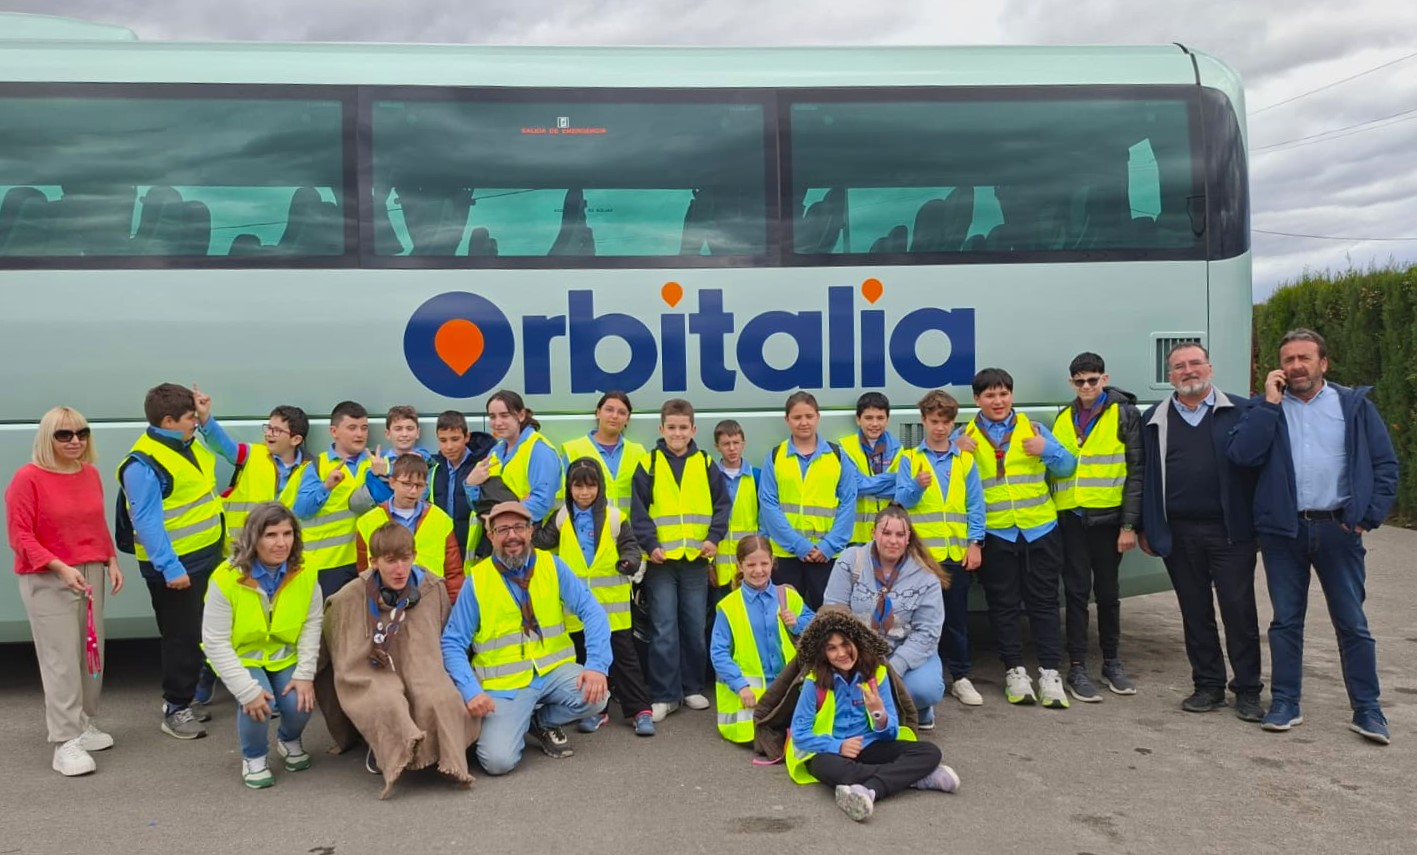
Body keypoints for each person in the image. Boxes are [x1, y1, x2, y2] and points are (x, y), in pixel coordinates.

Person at [1227, 328, 1399, 744]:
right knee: (1286, 622)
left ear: (1324, 363)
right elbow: (1241, 456)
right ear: (1279, 367)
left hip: (1339, 528)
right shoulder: (1264, 408)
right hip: (1283, 533)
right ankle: (1286, 702)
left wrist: (1366, 517)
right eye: (1288, 359)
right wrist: (1269, 404)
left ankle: (1368, 710)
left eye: (1305, 358)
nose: (1296, 366)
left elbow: (1385, 466)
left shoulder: (1352, 406)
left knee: (1352, 623)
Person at [1139, 342, 1263, 722]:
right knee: (1195, 612)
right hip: (1179, 532)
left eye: (1195, 363)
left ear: (1209, 367)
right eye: (1179, 366)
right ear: (1169, 376)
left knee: (1238, 611)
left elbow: (1260, 470)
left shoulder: (1243, 410)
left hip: (1231, 533)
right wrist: (1147, 527)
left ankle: (1247, 691)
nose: (1188, 371)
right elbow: (1143, 478)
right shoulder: (1153, 419)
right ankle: (1208, 685)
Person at [441, 501, 611, 775]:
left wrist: (596, 666)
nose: (512, 536)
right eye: (503, 529)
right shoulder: (477, 580)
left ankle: (540, 722)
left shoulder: (552, 566)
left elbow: (592, 611)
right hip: (505, 685)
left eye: (519, 527)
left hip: (553, 671)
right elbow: (452, 642)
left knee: (597, 696)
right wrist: (471, 691)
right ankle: (517, 720)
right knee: (497, 762)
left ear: (530, 531)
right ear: (491, 536)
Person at [320, 522, 480, 797]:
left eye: (405, 559)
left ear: (414, 557)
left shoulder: (432, 589)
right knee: (387, 697)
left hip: (421, 665)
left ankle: (447, 759)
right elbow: (332, 649)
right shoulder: (349, 597)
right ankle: (392, 752)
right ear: (373, 562)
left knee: (440, 696)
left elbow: (447, 639)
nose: (399, 569)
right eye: (390, 561)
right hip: (373, 671)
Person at [6, 406, 123, 776]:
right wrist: (59, 566)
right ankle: (64, 741)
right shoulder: (28, 478)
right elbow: (20, 536)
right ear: (47, 438)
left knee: (90, 653)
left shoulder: (88, 473)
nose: (75, 441)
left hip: (89, 572)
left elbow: (96, 522)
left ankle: (84, 721)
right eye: (64, 435)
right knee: (60, 661)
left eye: (82, 433)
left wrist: (110, 559)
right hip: (48, 575)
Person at [115, 383, 237, 739]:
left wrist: (206, 415)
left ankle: (188, 698)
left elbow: (223, 449)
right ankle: (176, 707)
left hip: (207, 554)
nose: (195, 424)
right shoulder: (143, 464)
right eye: (189, 419)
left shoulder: (183, 441)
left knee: (204, 630)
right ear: (168, 421)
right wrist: (171, 568)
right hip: (177, 567)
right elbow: (148, 522)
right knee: (181, 636)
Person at [955, 368, 1077, 708]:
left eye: (1004, 393)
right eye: (990, 395)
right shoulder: (964, 436)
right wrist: (957, 450)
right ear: (977, 399)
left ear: (1012, 395)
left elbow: (1068, 467)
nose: (998, 401)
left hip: (1040, 528)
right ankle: (1015, 671)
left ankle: (1050, 674)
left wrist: (1047, 450)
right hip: (996, 533)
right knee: (1003, 605)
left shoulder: (1035, 430)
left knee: (1045, 603)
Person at [785, 610, 959, 822]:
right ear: (823, 654)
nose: (841, 653)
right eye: (832, 648)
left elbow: (891, 733)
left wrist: (879, 713)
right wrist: (838, 746)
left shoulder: (877, 674)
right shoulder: (814, 682)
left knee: (929, 752)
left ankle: (870, 789)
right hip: (828, 750)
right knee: (828, 768)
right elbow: (800, 734)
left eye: (845, 644)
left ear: (857, 642)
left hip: (870, 746)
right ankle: (915, 778)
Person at [200, 502, 321, 789]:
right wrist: (246, 690)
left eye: (288, 533)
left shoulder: (306, 570)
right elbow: (214, 642)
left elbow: (312, 623)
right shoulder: (226, 577)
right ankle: (254, 757)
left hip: (284, 655)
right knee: (258, 703)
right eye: (271, 535)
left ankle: (288, 739)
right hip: (243, 658)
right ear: (254, 537)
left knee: (300, 704)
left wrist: (305, 674)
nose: (282, 543)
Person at [532, 458, 654, 735]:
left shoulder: (614, 517)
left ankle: (640, 710)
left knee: (624, 659)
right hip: (576, 609)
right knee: (586, 659)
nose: (584, 493)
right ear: (569, 487)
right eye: (578, 486)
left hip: (613, 607)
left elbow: (631, 547)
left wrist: (629, 563)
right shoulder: (562, 516)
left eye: (590, 486)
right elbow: (541, 541)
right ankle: (596, 709)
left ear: (599, 487)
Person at [1049, 352, 1144, 702]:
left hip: (1108, 521)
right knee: (1074, 594)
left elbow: (1137, 473)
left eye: (1092, 380)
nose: (1086, 386)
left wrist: (1130, 524)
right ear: (1071, 383)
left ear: (1104, 379)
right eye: (1079, 381)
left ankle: (1112, 662)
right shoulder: (1063, 418)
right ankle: (1077, 666)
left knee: (1107, 594)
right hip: (1071, 520)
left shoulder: (1125, 414)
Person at [630, 398, 731, 722]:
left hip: (695, 561)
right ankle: (665, 694)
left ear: (693, 429)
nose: (677, 433)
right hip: (661, 561)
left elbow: (721, 506)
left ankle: (692, 687)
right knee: (663, 627)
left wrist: (713, 538)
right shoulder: (649, 463)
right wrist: (650, 543)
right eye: (671, 427)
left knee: (693, 625)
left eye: (683, 427)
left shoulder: (704, 463)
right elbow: (639, 510)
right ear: (662, 429)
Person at [894, 390, 986, 707]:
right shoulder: (909, 459)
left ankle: (960, 676)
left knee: (956, 619)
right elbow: (900, 503)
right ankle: (920, 676)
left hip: (954, 553)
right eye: (934, 421)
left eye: (946, 422)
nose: (940, 428)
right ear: (923, 421)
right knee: (915, 620)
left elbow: (975, 505)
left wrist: (975, 543)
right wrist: (915, 487)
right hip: (920, 557)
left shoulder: (965, 461)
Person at [823, 505, 948, 729]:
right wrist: (853, 659)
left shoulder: (926, 576)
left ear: (908, 537)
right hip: (857, 651)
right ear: (873, 533)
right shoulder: (851, 560)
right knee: (832, 686)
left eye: (900, 534)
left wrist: (892, 669)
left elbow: (927, 632)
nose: (893, 540)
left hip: (905, 653)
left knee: (923, 689)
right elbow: (834, 611)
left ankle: (918, 708)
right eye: (886, 532)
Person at [710, 535, 814, 743]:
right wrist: (741, 686)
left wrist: (797, 624)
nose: (758, 570)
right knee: (767, 738)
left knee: (800, 736)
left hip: (788, 688)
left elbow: (815, 626)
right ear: (740, 565)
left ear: (772, 561)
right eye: (751, 564)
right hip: (749, 695)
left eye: (764, 563)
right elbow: (718, 652)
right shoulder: (729, 606)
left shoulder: (788, 595)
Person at [759, 392, 858, 611]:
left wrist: (829, 546)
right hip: (786, 555)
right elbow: (768, 504)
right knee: (784, 617)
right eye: (796, 417)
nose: (803, 422)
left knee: (829, 620)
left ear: (818, 417)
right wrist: (800, 546)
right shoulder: (775, 456)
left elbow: (848, 502)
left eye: (809, 416)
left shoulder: (837, 456)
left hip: (827, 556)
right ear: (787, 420)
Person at [293, 400, 392, 598]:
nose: (360, 434)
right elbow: (301, 510)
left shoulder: (380, 463)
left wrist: (381, 477)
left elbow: (392, 507)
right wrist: (326, 487)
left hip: (371, 561)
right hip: (329, 564)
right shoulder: (317, 465)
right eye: (352, 428)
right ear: (334, 431)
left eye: (364, 428)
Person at [355, 453, 464, 602]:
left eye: (419, 485)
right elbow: (363, 572)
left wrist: (452, 609)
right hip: (383, 602)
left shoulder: (441, 519)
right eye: (406, 484)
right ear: (392, 482)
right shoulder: (368, 521)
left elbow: (453, 573)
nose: (413, 491)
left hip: (430, 601)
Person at [216, 405, 314, 556]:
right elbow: (222, 445)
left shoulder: (311, 469)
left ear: (296, 439)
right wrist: (204, 419)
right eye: (268, 428)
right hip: (242, 551)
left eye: (277, 430)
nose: (269, 434)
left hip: (282, 554)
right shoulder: (252, 454)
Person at [464, 390, 562, 537]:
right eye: (492, 417)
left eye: (504, 415)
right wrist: (471, 484)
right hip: (503, 539)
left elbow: (541, 503)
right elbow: (482, 503)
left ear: (521, 415)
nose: (497, 423)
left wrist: (497, 518)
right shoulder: (495, 452)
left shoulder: (539, 451)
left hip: (536, 540)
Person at [560, 391, 647, 517]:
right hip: (589, 530)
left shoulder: (638, 452)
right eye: (609, 410)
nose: (615, 416)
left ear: (627, 419)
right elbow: (563, 496)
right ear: (598, 413)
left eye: (622, 413)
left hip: (628, 532)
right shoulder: (573, 450)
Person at [426, 410, 496, 562]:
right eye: (443, 440)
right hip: (443, 553)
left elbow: (490, 511)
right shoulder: (434, 470)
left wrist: (471, 486)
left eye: (455, 439)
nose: (449, 446)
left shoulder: (482, 467)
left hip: (477, 555)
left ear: (467, 437)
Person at [838, 392, 904, 546]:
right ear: (858, 419)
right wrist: (893, 478)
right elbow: (854, 486)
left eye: (880, 418)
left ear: (888, 419)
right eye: (868, 418)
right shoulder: (845, 448)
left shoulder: (898, 449)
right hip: (855, 536)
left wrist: (865, 483)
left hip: (888, 536)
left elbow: (901, 489)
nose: (875, 424)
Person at [711, 419, 761, 594]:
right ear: (717, 447)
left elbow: (763, 520)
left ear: (743, 444)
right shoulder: (709, 477)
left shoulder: (756, 477)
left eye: (736, 443)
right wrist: (708, 564)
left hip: (751, 566)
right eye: (726, 444)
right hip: (719, 568)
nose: (732, 448)